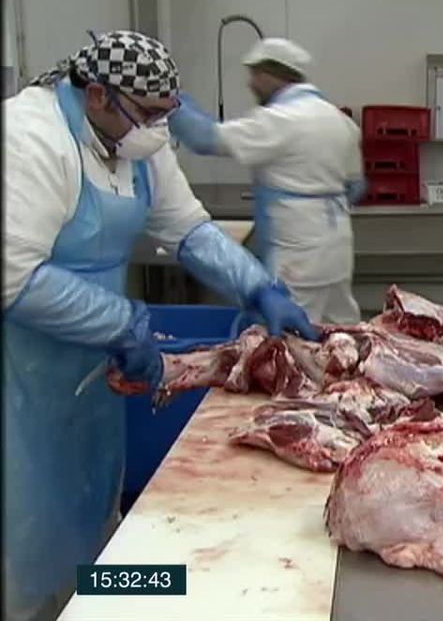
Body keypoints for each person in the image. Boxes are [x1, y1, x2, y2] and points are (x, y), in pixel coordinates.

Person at [2, 30, 319, 621]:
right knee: (26, 531)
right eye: (149, 114)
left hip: (92, 371)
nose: (160, 129)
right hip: (20, 376)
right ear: (97, 95)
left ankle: (102, 608)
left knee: (97, 523)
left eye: (166, 115)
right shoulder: (29, 136)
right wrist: (122, 323)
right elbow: (12, 275)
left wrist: (259, 287)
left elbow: (188, 228)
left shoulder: (137, 139)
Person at [168, 37, 366, 324]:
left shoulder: (280, 120)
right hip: (337, 250)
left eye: (255, 76)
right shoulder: (339, 120)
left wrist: (171, 102)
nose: (251, 84)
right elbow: (356, 187)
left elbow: (205, 139)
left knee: (289, 342)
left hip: (298, 256)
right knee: (342, 333)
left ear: (271, 75)